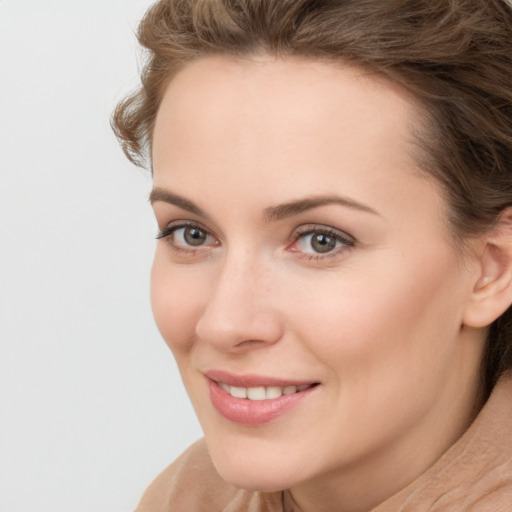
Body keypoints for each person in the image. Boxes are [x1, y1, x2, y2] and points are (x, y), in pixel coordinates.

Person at [112, 1, 512, 510]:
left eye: (320, 240)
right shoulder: (190, 496)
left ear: (491, 268)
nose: (224, 324)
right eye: (191, 234)